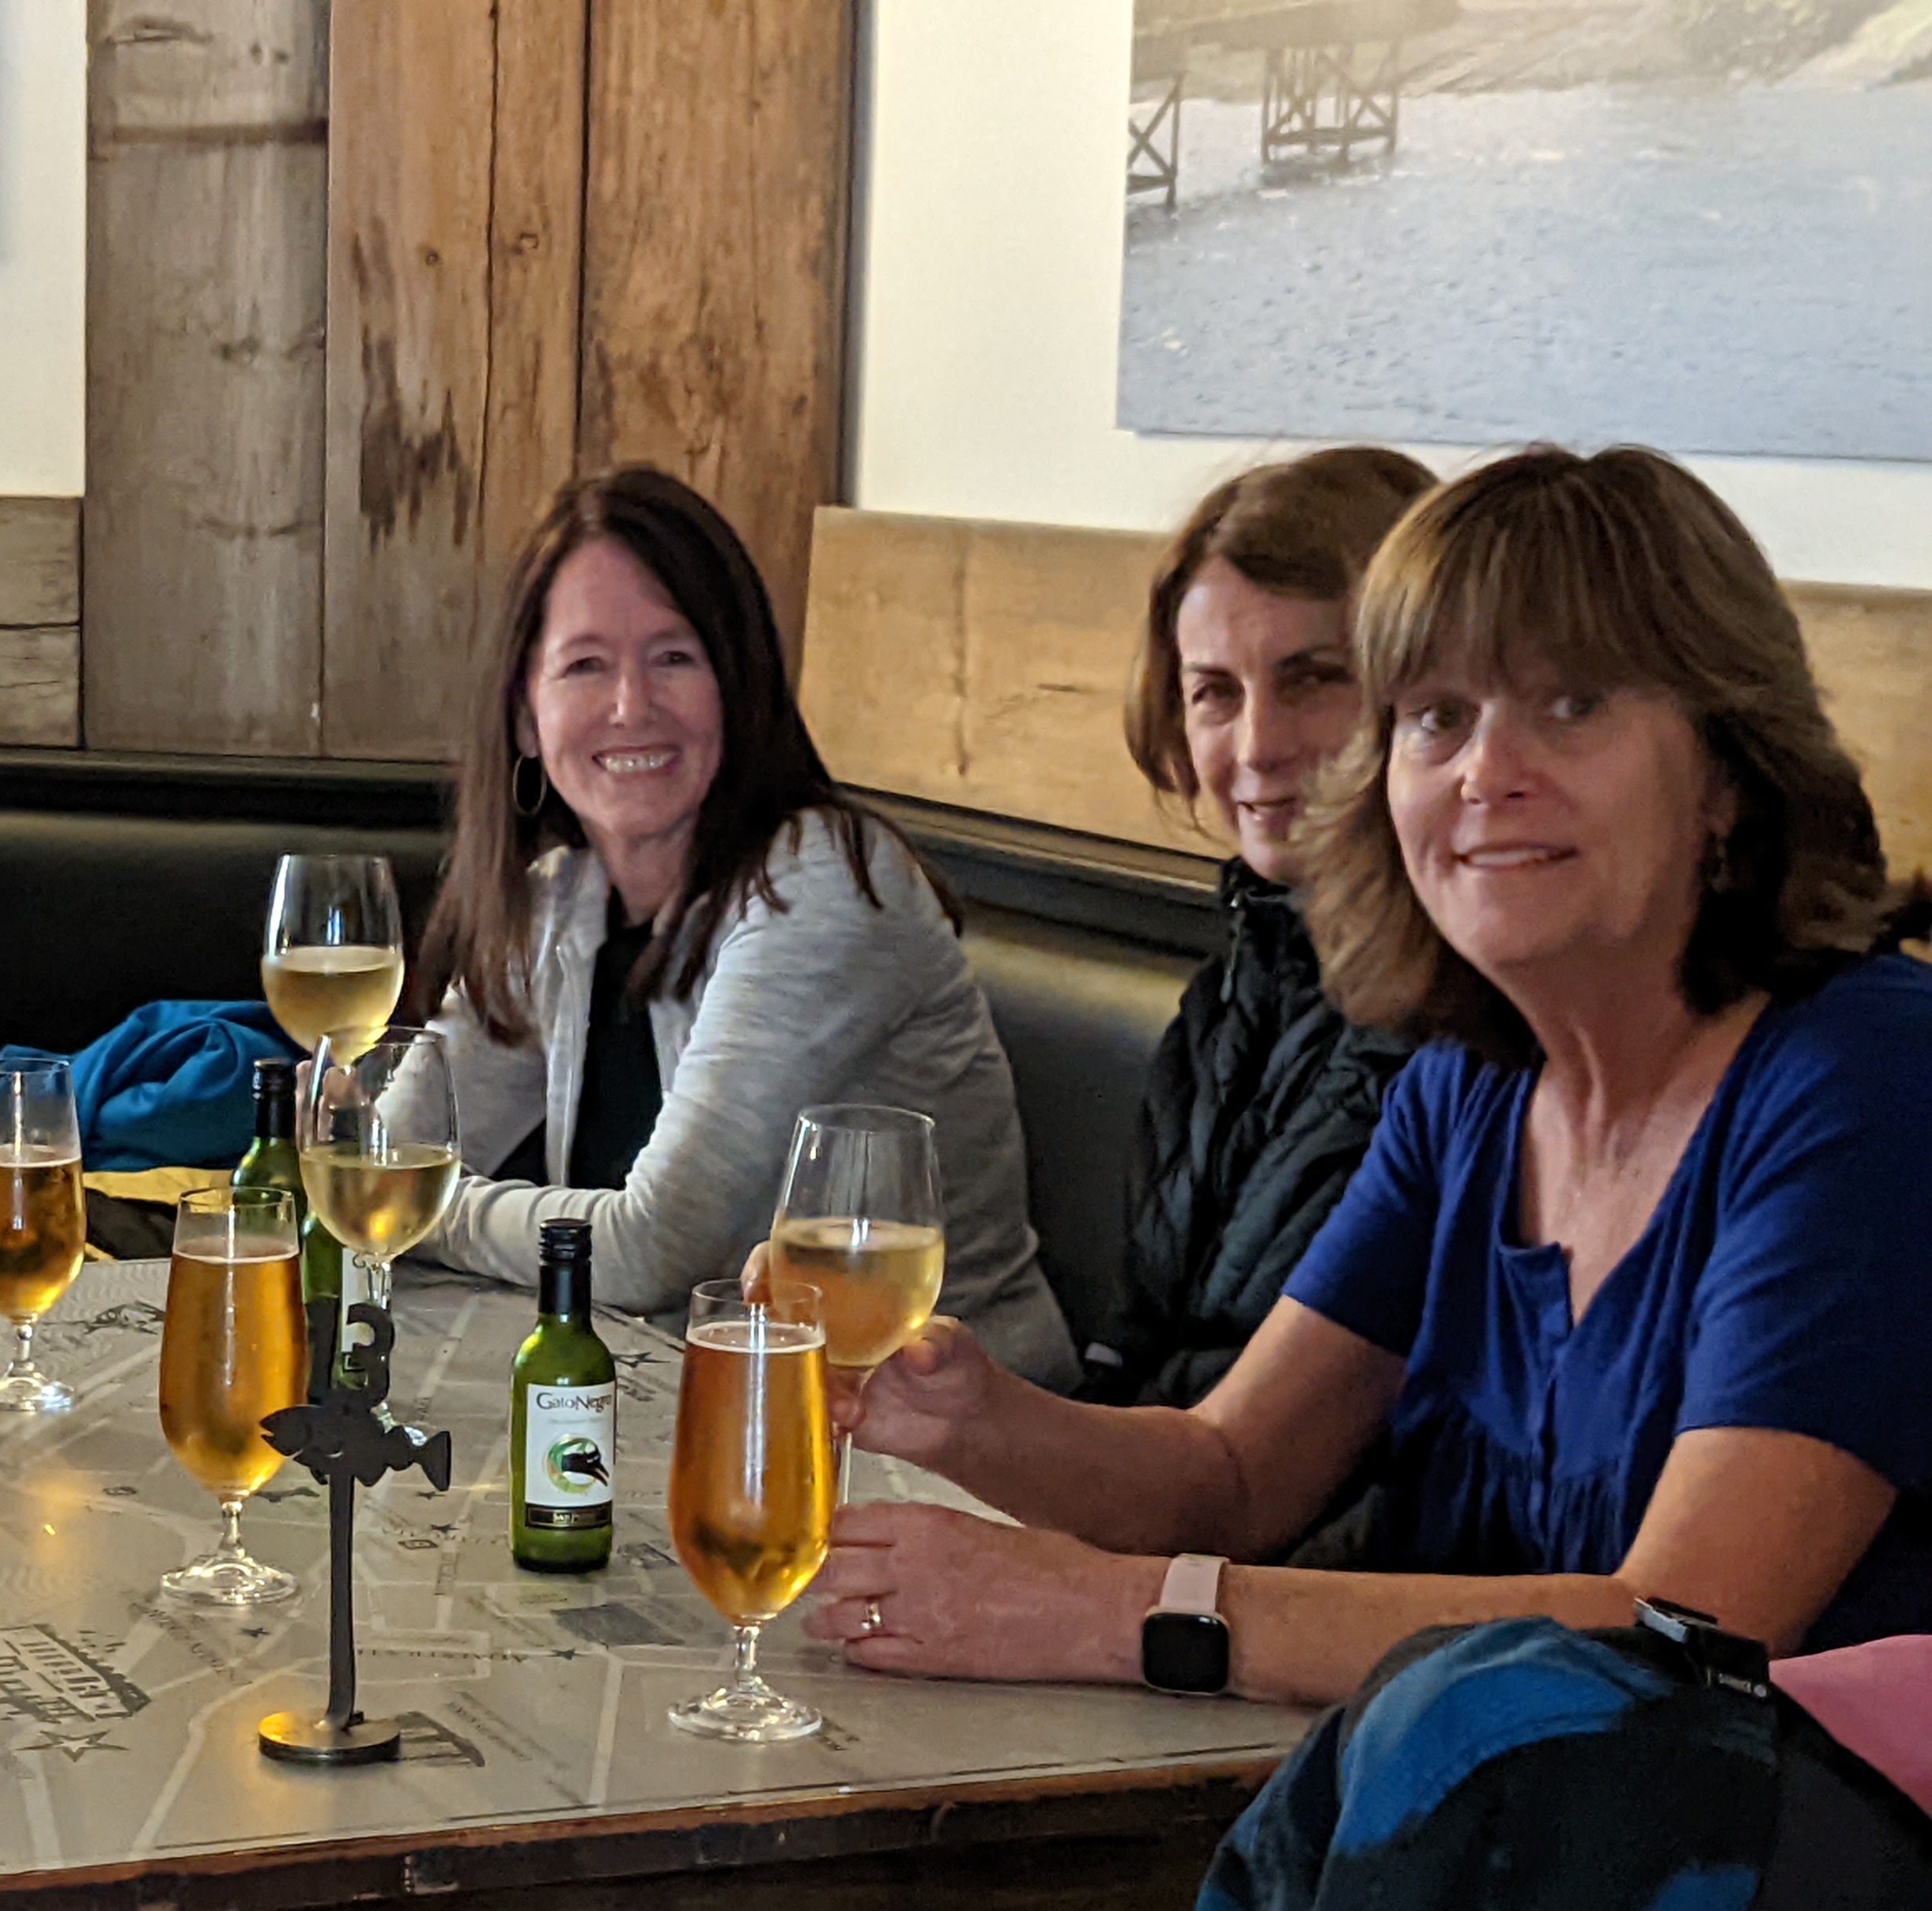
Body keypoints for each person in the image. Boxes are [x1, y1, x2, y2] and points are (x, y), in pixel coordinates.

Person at [816, 443, 1932, 1706]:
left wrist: (1110, 1611)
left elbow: (1689, 1628)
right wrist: (967, 1417)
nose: (1484, 773)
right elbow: (1233, 1476)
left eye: (1572, 705)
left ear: (1726, 773)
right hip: (1489, 1802)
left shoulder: (1870, 1079)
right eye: (1437, 716)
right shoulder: (1469, 1085)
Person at [414, 466, 1074, 1385]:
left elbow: (653, 1246)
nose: (630, 705)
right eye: (585, 665)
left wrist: (417, 1209)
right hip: (691, 1402)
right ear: (526, 717)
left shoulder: (826, 883)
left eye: (674, 657)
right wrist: (379, 1182)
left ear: (739, 683)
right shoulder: (560, 897)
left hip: (935, 1429)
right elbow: (390, 1148)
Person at [1081, 446, 1431, 1416]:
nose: (1257, 746)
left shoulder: (1468, 1018)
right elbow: (1135, 1343)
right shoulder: (1236, 989)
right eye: (1215, 692)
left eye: (1312, 678)